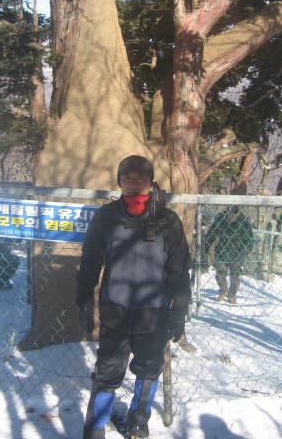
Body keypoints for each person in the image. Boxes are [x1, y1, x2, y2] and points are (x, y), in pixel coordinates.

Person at [77, 155, 191, 439]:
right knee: (107, 372)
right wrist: (84, 296)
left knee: (149, 368)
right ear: (120, 182)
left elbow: (179, 270)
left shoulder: (167, 221)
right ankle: (95, 428)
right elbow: (90, 259)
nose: (133, 185)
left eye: (140, 180)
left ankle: (138, 421)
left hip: (153, 313)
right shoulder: (107, 217)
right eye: (127, 179)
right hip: (115, 311)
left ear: (150, 182)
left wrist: (179, 310)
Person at [202, 205, 255, 304]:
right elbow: (211, 234)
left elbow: (250, 239)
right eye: (230, 212)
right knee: (220, 274)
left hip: (237, 253)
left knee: (235, 276)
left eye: (235, 213)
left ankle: (232, 295)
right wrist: (207, 247)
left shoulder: (244, 222)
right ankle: (223, 290)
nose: (232, 215)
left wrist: (245, 251)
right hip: (221, 252)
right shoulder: (221, 219)